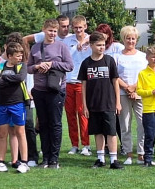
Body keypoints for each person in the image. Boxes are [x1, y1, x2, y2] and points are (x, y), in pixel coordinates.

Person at [27, 19, 73, 169]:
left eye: (54, 31)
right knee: (43, 124)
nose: (52, 33)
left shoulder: (62, 47)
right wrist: (38, 66)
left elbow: (69, 66)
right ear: (44, 30)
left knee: (55, 124)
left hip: (56, 91)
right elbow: (28, 68)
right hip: (39, 90)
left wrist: (52, 64)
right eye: (50, 30)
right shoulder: (35, 48)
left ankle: (54, 158)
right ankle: (45, 158)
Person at [78, 31, 122, 169]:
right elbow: (83, 85)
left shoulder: (109, 61)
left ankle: (114, 160)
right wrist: (84, 105)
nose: (101, 47)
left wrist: (118, 102)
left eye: (103, 45)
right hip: (93, 104)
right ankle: (100, 158)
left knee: (111, 131)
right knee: (97, 131)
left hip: (108, 103)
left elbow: (115, 82)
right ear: (91, 45)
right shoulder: (86, 63)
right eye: (98, 45)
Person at [0, 41, 30, 173]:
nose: (20, 58)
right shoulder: (0, 67)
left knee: (20, 132)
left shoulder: (22, 66)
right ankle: (0, 162)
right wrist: (9, 79)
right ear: (10, 56)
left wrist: (5, 79)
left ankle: (24, 162)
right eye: (18, 56)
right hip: (2, 104)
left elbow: (20, 78)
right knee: (2, 134)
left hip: (18, 103)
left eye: (21, 55)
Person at [114, 25, 146, 165]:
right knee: (125, 125)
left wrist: (134, 88)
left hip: (140, 93)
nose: (131, 41)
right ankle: (128, 153)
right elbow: (115, 76)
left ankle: (141, 153)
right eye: (128, 38)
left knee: (142, 124)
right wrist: (127, 87)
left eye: (133, 39)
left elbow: (145, 76)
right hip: (122, 93)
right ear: (123, 39)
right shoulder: (117, 56)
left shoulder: (143, 56)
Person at [64, 14, 91, 156]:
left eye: (80, 27)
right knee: (70, 115)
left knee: (82, 113)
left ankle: (86, 144)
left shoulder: (91, 39)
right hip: (68, 81)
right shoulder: (68, 40)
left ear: (85, 27)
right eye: (75, 28)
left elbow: (103, 37)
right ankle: (74, 144)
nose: (78, 30)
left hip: (83, 83)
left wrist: (86, 42)